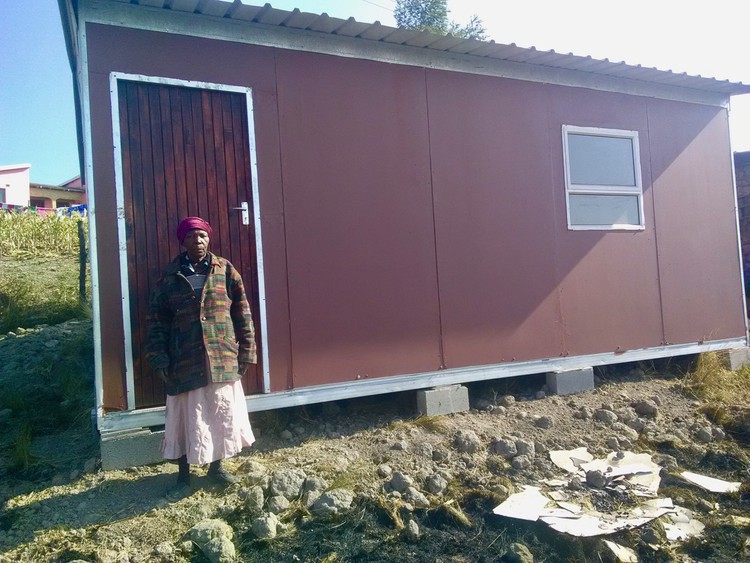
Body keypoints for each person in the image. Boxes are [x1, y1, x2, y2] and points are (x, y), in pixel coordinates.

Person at [146, 216, 256, 492]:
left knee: (220, 412)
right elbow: (157, 321)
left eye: (202, 236)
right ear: (182, 241)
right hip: (183, 358)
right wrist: (159, 357)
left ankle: (216, 468)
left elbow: (242, 313)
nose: (198, 241)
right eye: (192, 237)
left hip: (220, 356)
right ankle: (184, 476)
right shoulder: (169, 278)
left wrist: (246, 351)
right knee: (185, 416)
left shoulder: (226, 271)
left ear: (209, 239)